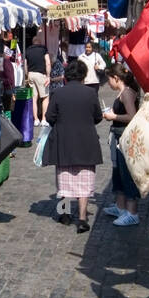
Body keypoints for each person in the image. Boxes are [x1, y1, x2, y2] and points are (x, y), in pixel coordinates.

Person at [44, 59, 103, 233]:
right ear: (84, 75)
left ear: (67, 76)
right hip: (86, 142)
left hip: (64, 141)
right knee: (85, 179)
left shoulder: (59, 94)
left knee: (64, 178)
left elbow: (49, 117)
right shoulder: (90, 93)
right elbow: (98, 117)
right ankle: (83, 218)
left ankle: (65, 214)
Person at [101, 63, 141, 227]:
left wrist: (113, 116)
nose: (108, 83)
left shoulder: (127, 94)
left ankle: (132, 212)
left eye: (109, 79)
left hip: (125, 138)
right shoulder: (122, 93)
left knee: (127, 172)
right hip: (119, 137)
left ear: (116, 78)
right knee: (118, 171)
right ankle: (120, 206)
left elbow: (132, 116)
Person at [24, 31, 52, 125]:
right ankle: (44, 119)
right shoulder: (43, 49)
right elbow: (48, 62)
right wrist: (48, 76)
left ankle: (35, 119)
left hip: (31, 74)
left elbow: (25, 65)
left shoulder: (27, 50)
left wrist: (27, 75)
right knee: (45, 97)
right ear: (39, 42)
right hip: (41, 75)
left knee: (34, 98)